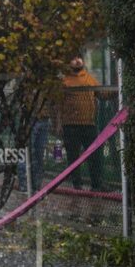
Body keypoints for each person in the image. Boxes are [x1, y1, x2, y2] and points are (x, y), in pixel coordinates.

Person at [56, 56, 108, 190]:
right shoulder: (64, 81)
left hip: (89, 124)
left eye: (79, 58)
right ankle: (77, 186)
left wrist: (116, 90)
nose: (77, 61)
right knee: (73, 158)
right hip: (70, 125)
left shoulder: (89, 78)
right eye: (73, 58)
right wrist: (59, 123)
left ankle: (97, 184)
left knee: (94, 156)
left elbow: (102, 94)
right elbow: (58, 104)